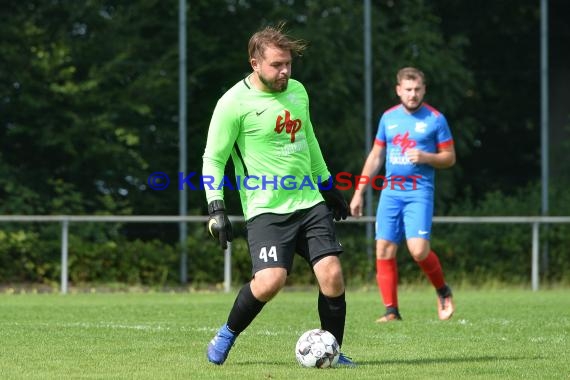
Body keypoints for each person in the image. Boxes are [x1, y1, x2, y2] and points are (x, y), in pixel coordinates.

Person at [202, 23, 354, 366]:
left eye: (288, 64)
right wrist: (216, 207)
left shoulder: (298, 91)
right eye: (276, 65)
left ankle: (334, 352)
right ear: (255, 63)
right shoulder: (233, 103)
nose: (284, 71)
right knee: (271, 281)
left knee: (331, 275)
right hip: (266, 208)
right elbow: (214, 158)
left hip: (309, 202)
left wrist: (328, 186)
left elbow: (308, 141)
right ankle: (227, 333)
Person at [349, 67, 456, 323]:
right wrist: (359, 192)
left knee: (418, 251)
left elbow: (450, 158)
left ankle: (443, 291)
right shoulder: (388, 118)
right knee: (383, 249)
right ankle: (391, 311)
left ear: (424, 90)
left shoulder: (435, 119)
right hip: (391, 192)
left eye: (417, 89)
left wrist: (427, 157)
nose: (413, 94)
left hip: (419, 192)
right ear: (398, 90)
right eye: (408, 89)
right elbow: (376, 156)